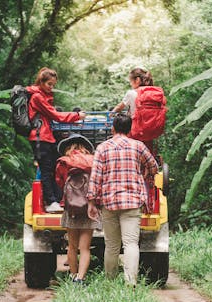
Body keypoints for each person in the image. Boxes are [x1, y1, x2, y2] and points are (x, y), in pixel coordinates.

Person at [87, 113, 158, 285]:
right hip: (133, 201)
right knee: (131, 243)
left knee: (111, 245)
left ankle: (110, 281)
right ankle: (130, 282)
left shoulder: (102, 148)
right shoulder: (138, 146)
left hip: (109, 203)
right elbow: (154, 166)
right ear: (130, 129)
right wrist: (145, 171)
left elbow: (95, 177)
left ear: (113, 128)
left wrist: (91, 201)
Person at [27, 67, 86, 213]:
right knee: (46, 170)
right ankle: (51, 201)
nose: (51, 87)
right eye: (49, 84)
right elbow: (55, 115)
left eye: (53, 85)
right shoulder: (37, 97)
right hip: (40, 138)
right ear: (41, 82)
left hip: (46, 137)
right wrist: (76, 116)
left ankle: (56, 199)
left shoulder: (42, 96)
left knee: (54, 167)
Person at [56, 134, 100, 284]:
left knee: (72, 246)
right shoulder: (93, 161)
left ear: (68, 147)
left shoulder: (63, 162)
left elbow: (60, 184)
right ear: (85, 147)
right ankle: (81, 279)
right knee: (85, 248)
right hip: (89, 208)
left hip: (71, 209)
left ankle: (73, 275)